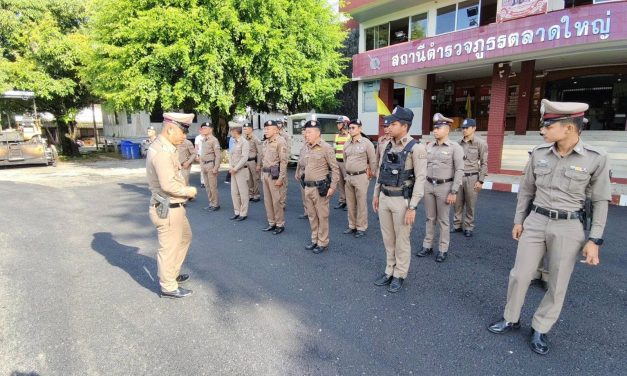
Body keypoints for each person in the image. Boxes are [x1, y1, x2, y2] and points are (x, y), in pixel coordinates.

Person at [488, 99, 611, 355]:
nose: (542, 130)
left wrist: (595, 240)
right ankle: (511, 318)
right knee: (520, 274)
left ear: (568, 128)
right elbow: (526, 191)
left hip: (569, 226)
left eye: (548, 125)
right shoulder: (539, 154)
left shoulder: (596, 159)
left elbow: (600, 201)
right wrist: (519, 220)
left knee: (557, 282)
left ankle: (540, 327)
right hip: (536, 221)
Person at [372, 106, 427, 293]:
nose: (388, 127)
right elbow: (381, 171)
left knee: (401, 240)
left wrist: (413, 207)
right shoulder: (388, 144)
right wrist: (376, 194)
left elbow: (420, 179)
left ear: (404, 126)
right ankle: (389, 270)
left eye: (393, 124)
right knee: (388, 239)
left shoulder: (416, 148)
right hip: (385, 197)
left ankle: (400, 274)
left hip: (402, 201)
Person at [146, 112, 197, 299]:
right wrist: (189, 191)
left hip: (173, 206)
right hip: (168, 207)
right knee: (169, 247)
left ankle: (172, 273)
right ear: (170, 129)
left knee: (184, 238)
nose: (184, 137)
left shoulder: (166, 146)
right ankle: (168, 285)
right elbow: (168, 185)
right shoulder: (162, 152)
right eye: (182, 132)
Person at [416, 113, 464, 263]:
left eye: (439, 128)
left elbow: (459, 170)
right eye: (434, 128)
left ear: (447, 130)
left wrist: (454, 191)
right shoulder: (429, 146)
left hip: (445, 187)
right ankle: (427, 245)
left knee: (443, 220)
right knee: (429, 218)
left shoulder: (455, 147)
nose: (435, 130)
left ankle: (443, 249)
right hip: (429, 185)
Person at [296, 119, 340, 254]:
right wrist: (299, 173)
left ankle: (322, 242)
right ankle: (314, 239)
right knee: (312, 216)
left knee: (322, 216)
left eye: (308, 132)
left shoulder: (326, 148)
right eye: (305, 132)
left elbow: (335, 169)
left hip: (320, 188)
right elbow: (302, 164)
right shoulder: (306, 147)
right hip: (307, 187)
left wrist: (332, 187)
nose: (305, 134)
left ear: (317, 133)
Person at [452, 118, 488, 237]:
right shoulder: (457, 143)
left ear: (474, 128)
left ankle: (468, 226)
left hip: (472, 177)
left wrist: (481, 180)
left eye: (467, 128)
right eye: (463, 128)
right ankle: (457, 225)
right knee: (457, 203)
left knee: (470, 204)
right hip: (459, 177)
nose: (464, 130)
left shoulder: (481, 143)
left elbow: (484, 163)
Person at [342, 119, 376, 238]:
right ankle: (352, 225)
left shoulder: (367, 143)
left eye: (353, 128)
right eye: (349, 128)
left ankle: (361, 227)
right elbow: (345, 159)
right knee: (350, 203)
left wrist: (371, 173)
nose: (350, 130)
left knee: (361, 203)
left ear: (360, 129)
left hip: (361, 176)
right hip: (349, 177)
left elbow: (372, 160)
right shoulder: (347, 143)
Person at [259, 120, 289, 234]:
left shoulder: (280, 142)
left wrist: (281, 178)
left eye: (268, 128)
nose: (265, 130)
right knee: (268, 201)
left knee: (277, 201)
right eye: (265, 128)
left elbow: (284, 161)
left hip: (274, 175)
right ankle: (271, 223)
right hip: (265, 174)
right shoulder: (266, 142)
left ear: (276, 130)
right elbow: (263, 160)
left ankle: (280, 224)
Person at [228, 120, 250, 221]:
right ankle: (237, 211)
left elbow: (244, 157)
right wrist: (230, 167)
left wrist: (235, 168)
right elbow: (231, 156)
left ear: (235, 131)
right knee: (234, 192)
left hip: (240, 171)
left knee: (243, 193)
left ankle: (243, 213)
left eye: (231, 130)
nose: (230, 132)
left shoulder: (244, 142)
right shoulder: (233, 142)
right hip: (233, 171)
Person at [200, 122, 221, 211]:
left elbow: (218, 155)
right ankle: (211, 203)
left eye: (205, 128)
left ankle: (215, 204)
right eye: (202, 128)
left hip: (210, 165)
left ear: (211, 129)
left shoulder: (214, 140)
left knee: (212, 186)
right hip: (204, 165)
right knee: (207, 186)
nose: (203, 129)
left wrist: (216, 167)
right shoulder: (204, 140)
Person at [333, 115, 350, 210]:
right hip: (337, 162)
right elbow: (334, 149)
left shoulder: (349, 136)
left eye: (339, 123)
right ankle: (342, 201)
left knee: (347, 183)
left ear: (345, 124)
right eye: (338, 123)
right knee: (340, 183)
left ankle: (349, 202)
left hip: (345, 163)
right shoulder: (337, 136)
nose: (338, 125)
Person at [243, 122, 262, 202]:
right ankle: (250, 194)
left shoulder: (255, 139)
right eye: (243, 129)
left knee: (255, 179)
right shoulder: (244, 138)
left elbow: (260, 153)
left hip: (253, 161)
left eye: (246, 129)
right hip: (246, 162)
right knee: (248, 179)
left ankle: (256, 195)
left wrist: (258, 164)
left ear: (251, 129)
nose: (244, 130)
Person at [277, 118, 291, 209]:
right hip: (274, 163)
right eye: (277, 123)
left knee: (283, 183)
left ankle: (282, 203)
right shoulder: (273, 134)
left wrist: (285, 160)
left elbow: (288, 148)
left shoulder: (286, 135)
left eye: (280, 123)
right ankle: (277, 202)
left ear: (283, 124)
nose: (278, 125)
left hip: (282, 162)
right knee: (275, 183)